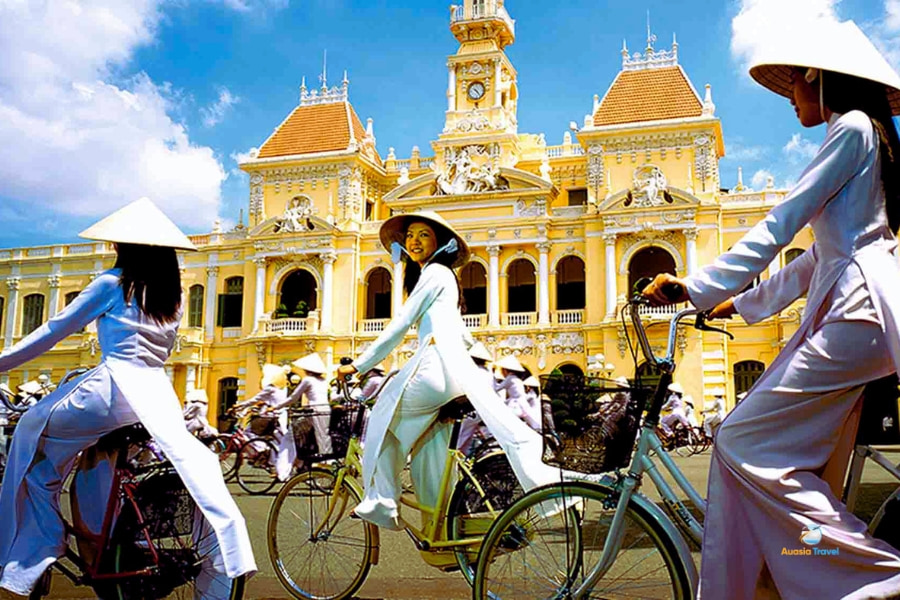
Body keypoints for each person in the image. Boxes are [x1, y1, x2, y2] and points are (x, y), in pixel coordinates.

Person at [642, 20, 900, 598]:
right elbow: (812, 260)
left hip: (855, 314)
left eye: (795, 84)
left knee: (739, 440)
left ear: (819, 77)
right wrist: (736, 303)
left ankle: (878, 576)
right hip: (855, 312)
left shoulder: (852, 128)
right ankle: (776, 578)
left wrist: (693, 287)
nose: (790, 97)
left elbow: (781, 222)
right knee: (773, 455)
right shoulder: (864, 137)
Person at [0, 198, 255, 597]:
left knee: (32, 441)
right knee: (98, 455)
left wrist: (3, 363)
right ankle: (103, 546)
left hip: (110, 389)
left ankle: (43, 543)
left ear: (126, 246)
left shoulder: (113, 283)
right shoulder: (172, 295)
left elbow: (53, 331)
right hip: (154, 397)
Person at [336, 210, 559, 530]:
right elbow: (462, 334)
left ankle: (382, 500)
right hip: (450, 374)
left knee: (382, 418)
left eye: (424, 235)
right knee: (430, 456)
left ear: (440, 242)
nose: (414, 241)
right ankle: (443, 531)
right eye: (410, 235)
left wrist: (359, 365)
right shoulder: (444, 278)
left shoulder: (435, 273)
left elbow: (401, 323)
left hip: (435, 370)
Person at [249, 364, 294, 481]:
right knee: (278, 441)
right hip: (279, 416)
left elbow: (259, 400)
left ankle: (262, 449)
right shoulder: (283, 388)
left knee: (250, 432)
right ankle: (277, 468)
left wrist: (243, 407)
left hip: (272, 416)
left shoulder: (272, 388)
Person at [281, 352, 332, 456]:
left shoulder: (307, 380)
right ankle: (323, 456)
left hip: (315, 409)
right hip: (325, 408)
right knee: (322, 433)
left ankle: (326, 457)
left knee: (313, 433)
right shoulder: (323, 380)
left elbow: (293, 397)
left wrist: (277, 406)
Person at [494, 355, 528, 422]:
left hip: (515, 406)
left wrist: (493, 378)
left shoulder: (510, 378)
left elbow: (496, 388)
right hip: (522, 406)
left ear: (505, 370)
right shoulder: (516, 379)